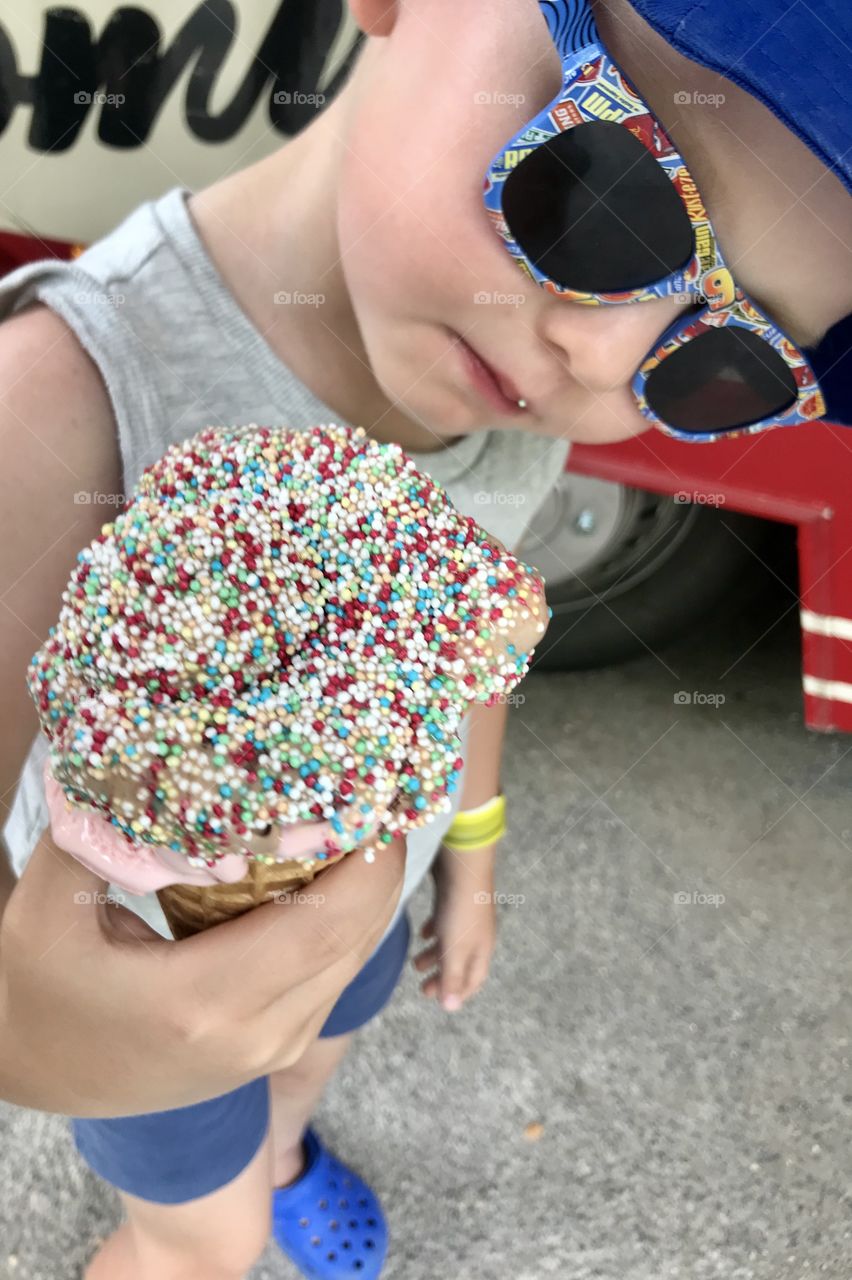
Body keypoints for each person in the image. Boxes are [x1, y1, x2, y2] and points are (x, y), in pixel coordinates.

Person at [0, 0, 849, 1276]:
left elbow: (467, 650)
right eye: (606, 200)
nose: (603, 354)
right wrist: (21, 1034)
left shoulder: (516, 390)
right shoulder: (51, 414)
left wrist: (472, 841)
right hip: (130, 1004)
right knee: (202, 1236)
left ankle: (282, 1147)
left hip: (364, 897)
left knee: (326, 1031)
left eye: (721, 358)